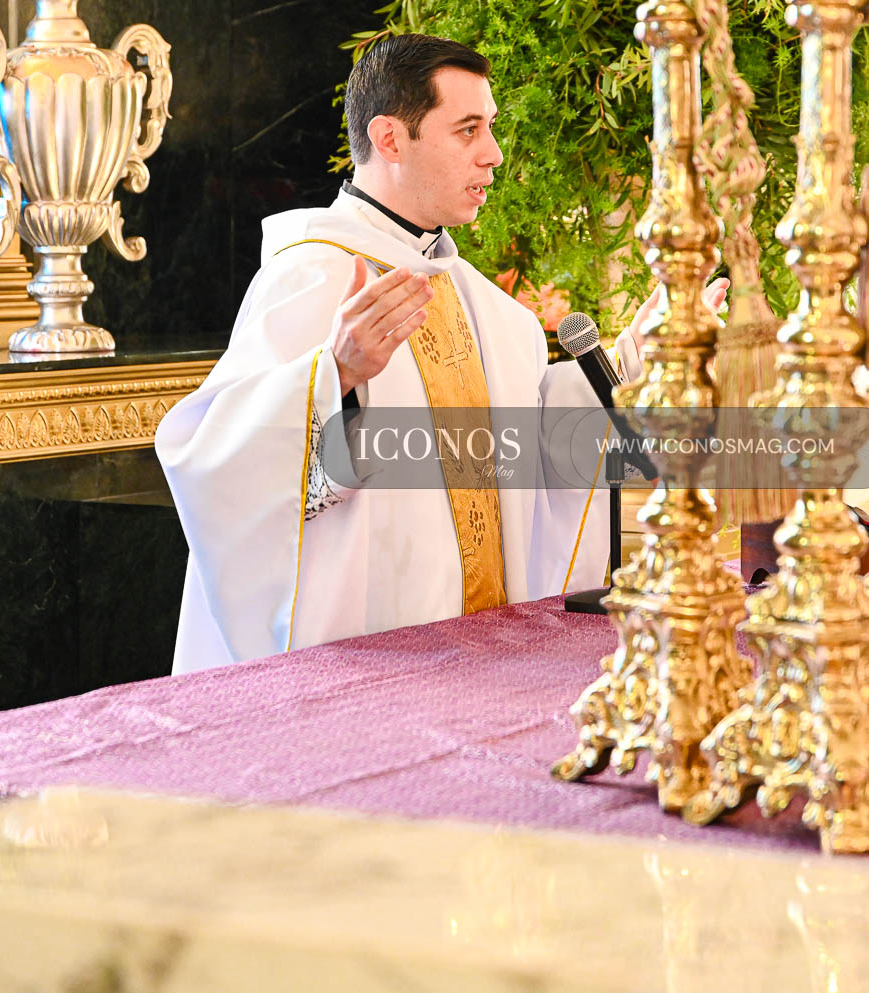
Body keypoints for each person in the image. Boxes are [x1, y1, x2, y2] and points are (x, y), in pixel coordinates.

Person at [156, 34, 727, 674]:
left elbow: (531, 447)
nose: (494, 154)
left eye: (490, 128)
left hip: (485, 658)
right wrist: (334, 375)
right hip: (358, 671)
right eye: (468, 130)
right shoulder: (313, 275)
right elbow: (214, 462)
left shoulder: (480, 301)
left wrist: (630, 363)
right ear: (390, 139)